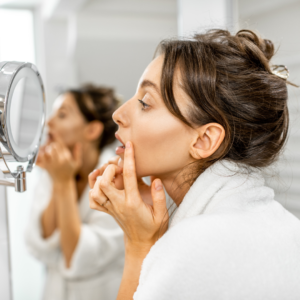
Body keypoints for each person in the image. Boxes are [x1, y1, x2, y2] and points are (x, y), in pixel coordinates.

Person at [89, 29, 300, 300]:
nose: (118, 115)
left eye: (145, 103)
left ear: (204, 140)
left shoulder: (195, 247)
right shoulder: (287, 228)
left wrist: (140, 243)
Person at [25, 85, 124, 300]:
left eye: (62, 114)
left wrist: (63, 183)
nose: (49, 122)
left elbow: (78, 257)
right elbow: (41, 244)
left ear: (92, 130)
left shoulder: (118, 179)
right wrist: (59, 179)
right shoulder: (54, 171)